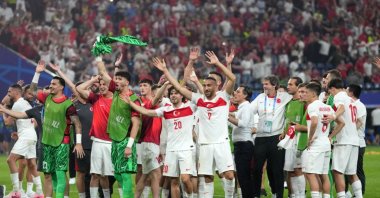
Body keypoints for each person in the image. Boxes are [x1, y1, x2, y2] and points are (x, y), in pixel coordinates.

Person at [152, 50, 237, 198]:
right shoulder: (198, 100)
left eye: (209, 85)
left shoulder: (224, 97)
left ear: (217, 86)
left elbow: (232, 78)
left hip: (221, 142)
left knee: (229, 175)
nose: (206, 88)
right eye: (204, 86)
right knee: (206, 178)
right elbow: (180, 86)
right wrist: (170, 68)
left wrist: (218, 63)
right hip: (203, 144)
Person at [126, 85, 196, 198]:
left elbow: (201, 97)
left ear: (182, 95)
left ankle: (191, 196)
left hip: (186, 149)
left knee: (185, 178)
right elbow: (147, 112)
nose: (173, 95)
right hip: (171, 150)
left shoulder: (189, 107)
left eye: (176, 93)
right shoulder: (166, 110)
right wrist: (131, 103)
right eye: (171, 93)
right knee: (173, 182)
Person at [97, 59, 141, 198]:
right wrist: (98, 56)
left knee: (126, 174)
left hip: (126, 140)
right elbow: (103, 71)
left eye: (119, 79)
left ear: (127, 82)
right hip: (115, 140)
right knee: (116, 173)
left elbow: (136, 124)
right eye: (115, 78)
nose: (116, 81)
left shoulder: (133, 99)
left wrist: (129, 146)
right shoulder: (115, 93)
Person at [250, 75, 293, 198]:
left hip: (276, 138)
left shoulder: (284, 97)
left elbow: (296, 97)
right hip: (261, 138)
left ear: (274, 85)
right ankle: (256, 194)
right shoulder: (259, 98)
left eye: (267, 84)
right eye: (263, 84)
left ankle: (278, 195)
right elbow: (249, 111)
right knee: (257, 169)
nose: (264, 86)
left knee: (277, 170)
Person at [1, 84, 44, 198]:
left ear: (16, 93)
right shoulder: (25, 104)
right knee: (31, 164)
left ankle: (16, 192)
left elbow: (8, 122)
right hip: (31, 136)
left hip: (26, 136)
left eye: (9, 91)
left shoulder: (18, 104)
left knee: (11, 160)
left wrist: (3, 112)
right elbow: (33, 121)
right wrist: (21, 132)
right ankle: (39, 193)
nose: (8, 93)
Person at [303, 83, 344, 198]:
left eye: (306, 92)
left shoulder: (312, 106)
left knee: (310, 174)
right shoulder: (328, 107)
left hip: (316, 145)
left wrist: (310, 138)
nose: (304, 94)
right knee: (324, 175)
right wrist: (330, 137)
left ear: (313, 94)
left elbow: (315, 121)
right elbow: (342, 123)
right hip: (326, 143)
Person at [324, 78, 363, 198]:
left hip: (343, 141)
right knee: (352, 173)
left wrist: (333, 116)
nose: (331, 94)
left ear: (333, 89)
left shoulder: (339, 96)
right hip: (354, 140)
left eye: (330, 91)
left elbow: (341, 108)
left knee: (337, 171)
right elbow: (359, 121)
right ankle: (359, 196)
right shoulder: (351, 100)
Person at [77, 75, 114, 198]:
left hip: (111, 142)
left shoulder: (117, 101)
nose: (102, 86)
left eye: (105, 84)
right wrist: (93, 80)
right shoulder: (96, 98)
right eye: (101, 84)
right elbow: (79, 88)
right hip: (97, 141)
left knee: (106, 175)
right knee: (95, 174)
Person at [134, 79, 163, 198]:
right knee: (152, 173)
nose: (142, 88)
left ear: (151, 88)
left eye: (145, 85)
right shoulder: (142, 102)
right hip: (145, 141)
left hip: (155, 142)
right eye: (140, 85)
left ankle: (139, 196)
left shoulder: (156, 102)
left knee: (146, 173)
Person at [227, 85, 255, 198]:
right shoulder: (242, 108)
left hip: (244, 145)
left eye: (238, 92)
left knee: (244, 176)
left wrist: (227, 116)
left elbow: (242, 124)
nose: (235, 93)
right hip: (241, 145)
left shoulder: (247, 107)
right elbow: (235, 120)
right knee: (242, 176)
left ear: (245, 95)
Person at [280, 77, 305, 198]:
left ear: (298, 86)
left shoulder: (304, 103)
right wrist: (284, 132)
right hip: (289, 139)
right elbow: (287, 121)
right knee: (290, 170)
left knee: (298, 169)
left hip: (300, 139)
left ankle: (301, 195)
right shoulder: (289, 103)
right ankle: (293, 195)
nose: (288, 86)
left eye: (290, 84)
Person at [346, 84, 367, 195]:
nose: (345, 91)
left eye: (346, 89)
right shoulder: (351, 104)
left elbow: (359, 122)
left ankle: (360, 193)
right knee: (348, 170)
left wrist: (350, 131)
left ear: (351, 92)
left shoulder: (359, 105)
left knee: (357, 170)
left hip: (358, 142)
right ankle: (348, 193)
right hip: (352, 141)